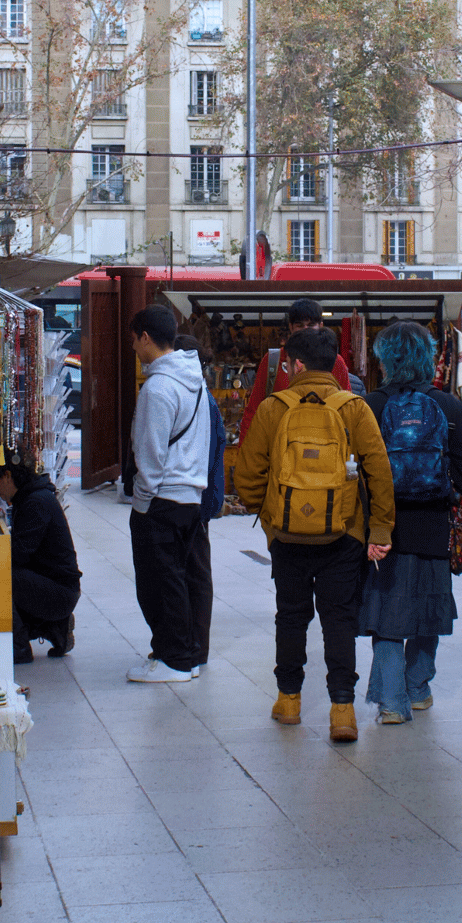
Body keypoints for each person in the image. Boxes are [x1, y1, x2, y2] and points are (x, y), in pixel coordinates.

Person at [235, 327, 394, 743]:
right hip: (343, 534)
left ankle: (289, 701)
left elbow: (248, 473)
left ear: (297, 365)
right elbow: (379, 471)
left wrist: (269, 515)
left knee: (290, 616)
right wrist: (378, 529)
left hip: (287, 536)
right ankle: (343, 711)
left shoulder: (274, 407)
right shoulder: (354, 407)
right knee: (339, 618)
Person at [359, 321, 462, 724]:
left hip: (384, 527)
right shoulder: (447, 406)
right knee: (430, 607)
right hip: (433, 526)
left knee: (387, 611)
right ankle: (418, 687)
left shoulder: (371, 405)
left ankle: (392, 703)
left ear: (386, 360)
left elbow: (358, 473)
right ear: (428, 357)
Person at [125, 305, 211, 683]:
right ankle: (183, 653)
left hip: (161, 499)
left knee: (160, 583)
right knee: (180, 579)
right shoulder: (194, 379)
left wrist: (141, 503)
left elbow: (150, 455)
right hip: (190, 495)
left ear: (145, 337)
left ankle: (173, 659)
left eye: (133, 340)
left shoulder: (158, 388)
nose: (133, 348)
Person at [0, 445, 80, 664]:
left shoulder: (36, 502)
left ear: (7, 476)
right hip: (51, 585)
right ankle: (54, 628)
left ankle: (19, 647)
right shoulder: (29, 498)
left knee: (1, 577)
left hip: (60, 593)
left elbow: (18, 555)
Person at [173, 333, 227, 674]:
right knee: (193, 571)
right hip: (197, 498)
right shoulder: (200, 396)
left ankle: (194, 646)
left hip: (193, 499)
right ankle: (193, 644)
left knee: (192, 572)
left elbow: (206, 454)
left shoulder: (199, 399)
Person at [238, 299, 351, 438]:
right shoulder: (272, 360)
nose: (305, 330)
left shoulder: (335, 361)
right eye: (300, 325)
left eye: (311, 325)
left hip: (326, 447)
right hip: (279, 449)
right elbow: (253, 412)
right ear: (291, 327)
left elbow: (347, 409)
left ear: (321, 326)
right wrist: (245, 455)